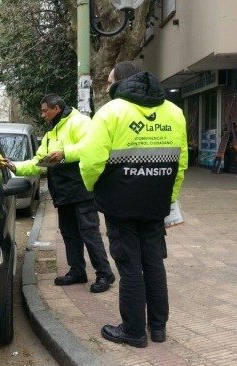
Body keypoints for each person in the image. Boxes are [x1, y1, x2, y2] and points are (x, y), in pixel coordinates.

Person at [78, 62, 188, 347]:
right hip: (156, 205)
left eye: (109, 80)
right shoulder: (174, 113)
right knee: (154, 264)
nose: (107, 85)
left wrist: (94, 188)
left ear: (120, 83)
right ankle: (158, 329)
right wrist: (169, 197)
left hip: (120, 205)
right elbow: (181, 163)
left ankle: (134, 331)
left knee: (129, 267)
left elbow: (91, 162)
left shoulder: (110, 112)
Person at [0, 93, 115, 292]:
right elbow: (38, 162)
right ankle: (77, 271)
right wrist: (15, 166)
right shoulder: (51, 133)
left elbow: (91, 148)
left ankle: (105, 274)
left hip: (81, 188)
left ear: (56, 108)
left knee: (89, 233)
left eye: (45, 110)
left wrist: (65, 153)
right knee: (69, 233)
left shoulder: (80, 122)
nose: (42, 114)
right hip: (62, 192)